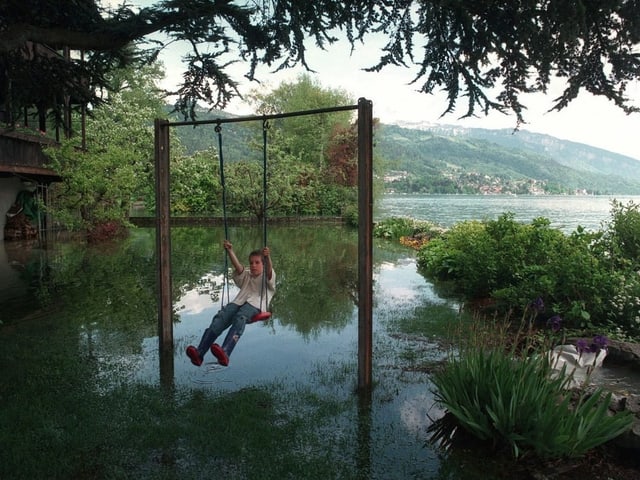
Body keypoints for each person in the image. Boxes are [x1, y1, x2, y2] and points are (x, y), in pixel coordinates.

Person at [186, 240, 275, 367]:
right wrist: (230, 251)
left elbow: (270, 271)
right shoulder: (247, 275)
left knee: (240, 317)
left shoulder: (267, 276)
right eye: (251, 263)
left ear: (263, 264)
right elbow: (238, 267)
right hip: (238, 302)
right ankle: (199, 354)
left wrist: (268, 258)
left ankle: (225, 352)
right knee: (221, 318)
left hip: (255, 306)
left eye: (257, 263)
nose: (254, 265)